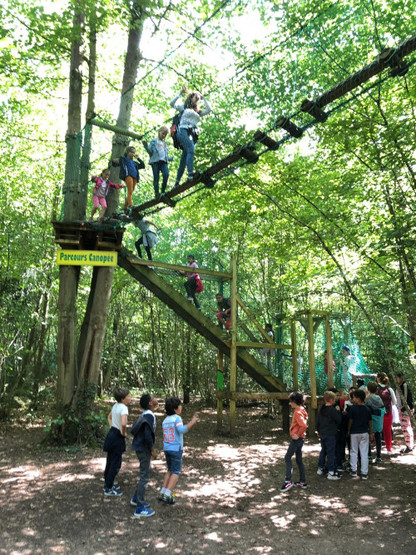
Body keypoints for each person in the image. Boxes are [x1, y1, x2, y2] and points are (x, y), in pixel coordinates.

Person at [170, 86, 212, 187]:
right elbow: (171, 103)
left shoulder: (198, 112)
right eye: (195, 96)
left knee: (184, 157)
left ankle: (177, 181)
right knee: (191, 150)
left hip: (192, 134)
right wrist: (180, 94)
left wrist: (204, 98)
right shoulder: (184, 107)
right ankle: (190, 174)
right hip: (183, 131)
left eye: (198, 98)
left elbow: (209, 109)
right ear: (190, 97)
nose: (197, 98)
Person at [159, 397, 198, 504]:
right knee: (176, 471)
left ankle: (162, 491)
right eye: (180, 405)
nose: (181, 407)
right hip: (176, 449)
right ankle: (167, 493)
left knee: (169, 470)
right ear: (176, 409)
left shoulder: (165, 420)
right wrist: (192, 422)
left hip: (167, 448)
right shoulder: (177, 418)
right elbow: (181, 430)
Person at [130, 394, 159, 518]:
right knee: (144, 476)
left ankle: (136, 498)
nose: (155, 399)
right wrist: (152, 450)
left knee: (145, 472)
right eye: (153, 398)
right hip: (143, 448)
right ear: (150, 403)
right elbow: (147, 434)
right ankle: (139, 508)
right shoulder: (149, 416)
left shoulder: (146, 414)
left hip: (140, 447)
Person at [103, 387, 131, 496]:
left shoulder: (115, 406)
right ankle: (109, 488)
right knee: (116, 463)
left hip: (112, 434)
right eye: (128, 396)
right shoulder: (123, 408)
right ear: (123, 399)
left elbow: (109, 417)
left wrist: (112, 427)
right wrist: (123, 432)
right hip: (117, 437)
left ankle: (108, 483)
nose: (130, 398)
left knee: (110, 460)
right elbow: (124, 424)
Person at [280, 392, 308, 492]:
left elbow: (303, 425)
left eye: (291, 401)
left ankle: (288, 481)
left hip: (297, 440)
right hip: (300, 439)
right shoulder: (302, 409)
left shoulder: (297, 412)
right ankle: (302, 481)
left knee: (287, 457)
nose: (290, 403)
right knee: (299, 459)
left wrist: (298, 434)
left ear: (295, 401)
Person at [347, 389, 373, 479]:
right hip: (364, 432)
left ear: (358, 399)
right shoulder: (367, 409)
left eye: (353, 397)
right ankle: (364, 472)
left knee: (354, 451)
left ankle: (354, 470)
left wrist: (348, 430)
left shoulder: (352, 408)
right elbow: (370, 421)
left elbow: (350, 420)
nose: (352, 399)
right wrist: (371, 432)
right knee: (364, 452)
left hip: (354, 432)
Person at [316, 391, 342, 480]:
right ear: (331, 400)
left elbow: (318, 420)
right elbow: (339, 420)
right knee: (331, 452)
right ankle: (331, 472)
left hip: (322, 433)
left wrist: (318, 430)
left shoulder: (322, 409)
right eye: (334, 399)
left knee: (323, 450)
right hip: (330, 434)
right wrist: (338, 412)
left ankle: (320, 467)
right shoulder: (333, 410)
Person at [142, 126, 173, 198]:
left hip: (163, 162)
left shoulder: (165, 144)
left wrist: (170, 158)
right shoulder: (154, 141)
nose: (164, 135)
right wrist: (145, 145)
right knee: (156, 177)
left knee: (166, 174)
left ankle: (163, 191)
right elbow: (150, 152)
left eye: (165, 134)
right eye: (163, 133)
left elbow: (166, 155)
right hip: (155, 162)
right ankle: (157, 193)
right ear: (159, 132)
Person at [112, 146, 145, 210]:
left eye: (134, 152)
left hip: (135, 177)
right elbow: (114, 164)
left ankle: (125, 207)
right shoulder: (123, 160)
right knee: (130, 190)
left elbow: (142, 165)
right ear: (127, 152)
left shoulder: (135, 163)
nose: (133, 154)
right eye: (132, 152)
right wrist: (114, 161)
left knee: (131, 192)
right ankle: (130, 205)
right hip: (128, 176)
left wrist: (138, 158)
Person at [376, 372, 397, 453]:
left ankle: (378, 451)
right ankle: (388, 449)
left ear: (379, 379)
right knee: (387, 431)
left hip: (377, 413)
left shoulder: (375, 389)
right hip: (388, 412)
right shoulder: (389, 389)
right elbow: (395, 402)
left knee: (377, 432)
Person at [365, 381, 385, 463]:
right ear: (376, 389)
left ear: (368, 389)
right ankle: (379, 456)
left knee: (368, 438)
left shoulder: (367, 398)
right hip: (378, 420)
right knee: (378, 438)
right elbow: (382, 408)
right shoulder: (379, 398)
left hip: (369, 421)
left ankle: (369, 455)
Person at [395, 372, 414, 454]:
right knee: (406, 427)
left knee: (405, 427)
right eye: (397, 377)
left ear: (401, 377)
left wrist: (403, 409)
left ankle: (409, 446)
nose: (398, 379)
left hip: (406, 409)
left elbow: (405, 398)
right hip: (402, 409)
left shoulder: (405, 385)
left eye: (399, 377)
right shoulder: (400, 386)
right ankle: (409, 445)